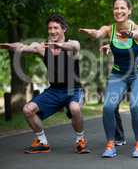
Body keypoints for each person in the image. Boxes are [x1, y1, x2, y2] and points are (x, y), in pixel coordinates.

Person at [0, 14, 90, 154]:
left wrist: (60, 45)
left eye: (56, 28)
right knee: (28, 109)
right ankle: (42, 142)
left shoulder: (73, 45)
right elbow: (24, 47)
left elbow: (74, 45)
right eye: (50, 28)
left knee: (75, 108)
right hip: (54, 91)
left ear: (64, 29)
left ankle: (80, 140)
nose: (52, 31)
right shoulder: (42, 48)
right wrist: (12, 46)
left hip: (73, 90)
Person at [79, 0, 138, 158]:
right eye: (116, 8)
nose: (119, 11)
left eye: (122, 8)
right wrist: (90, 32)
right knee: (108, 107)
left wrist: (130, 34)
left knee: (135, 106)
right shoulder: (109, 29)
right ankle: (110, 144)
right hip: (118, 74)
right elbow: (98, 33)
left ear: (129, 11)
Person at [99, 44, 138, 146]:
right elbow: (118, 41)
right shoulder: (113, 30)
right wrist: (111, 46)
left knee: (136, 105)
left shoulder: (137, 30)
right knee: (111, 105)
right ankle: (118, 137)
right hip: (119, 74)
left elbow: (134, 40)